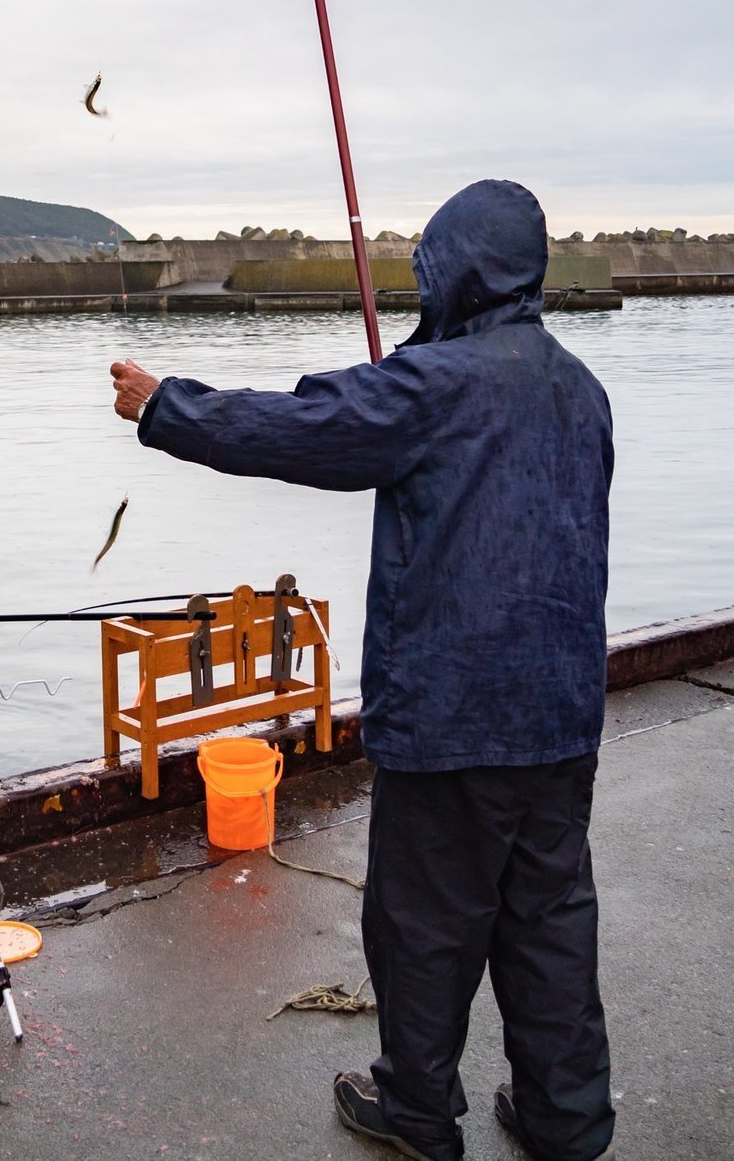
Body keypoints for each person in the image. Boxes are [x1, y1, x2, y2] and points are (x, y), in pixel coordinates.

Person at [109, 180, 615, 1161]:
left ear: (452, 272)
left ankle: (417, 1114)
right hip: (559, 717)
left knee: (421, 928)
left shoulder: (430, 387)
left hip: (450, 722)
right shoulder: (579, 389)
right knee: (548, 921)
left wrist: (163, 405)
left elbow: (298, 426)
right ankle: (568, 1119)